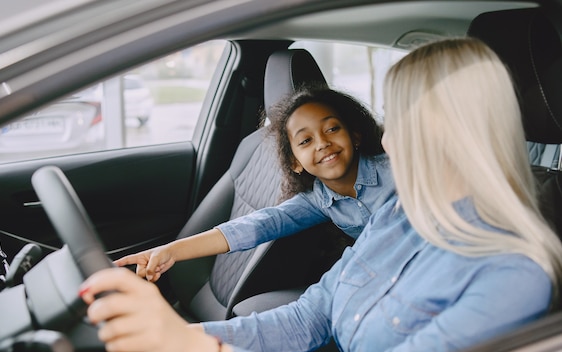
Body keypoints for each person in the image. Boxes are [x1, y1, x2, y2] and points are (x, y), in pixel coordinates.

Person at [80, 38, 562, 352]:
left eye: (403, 125)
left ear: (460, 133)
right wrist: (182, 339)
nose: (388, 142)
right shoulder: (396, 217)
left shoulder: (512, 276)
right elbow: (308, 315)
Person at [114, 86, 395, 282]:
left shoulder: (396, 167)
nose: (323, 143)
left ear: (355, 136)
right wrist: (170, 251)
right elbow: (254, 226)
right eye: (305, 140)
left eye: (332, 128)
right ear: (295, 162)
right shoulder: (318, 200)